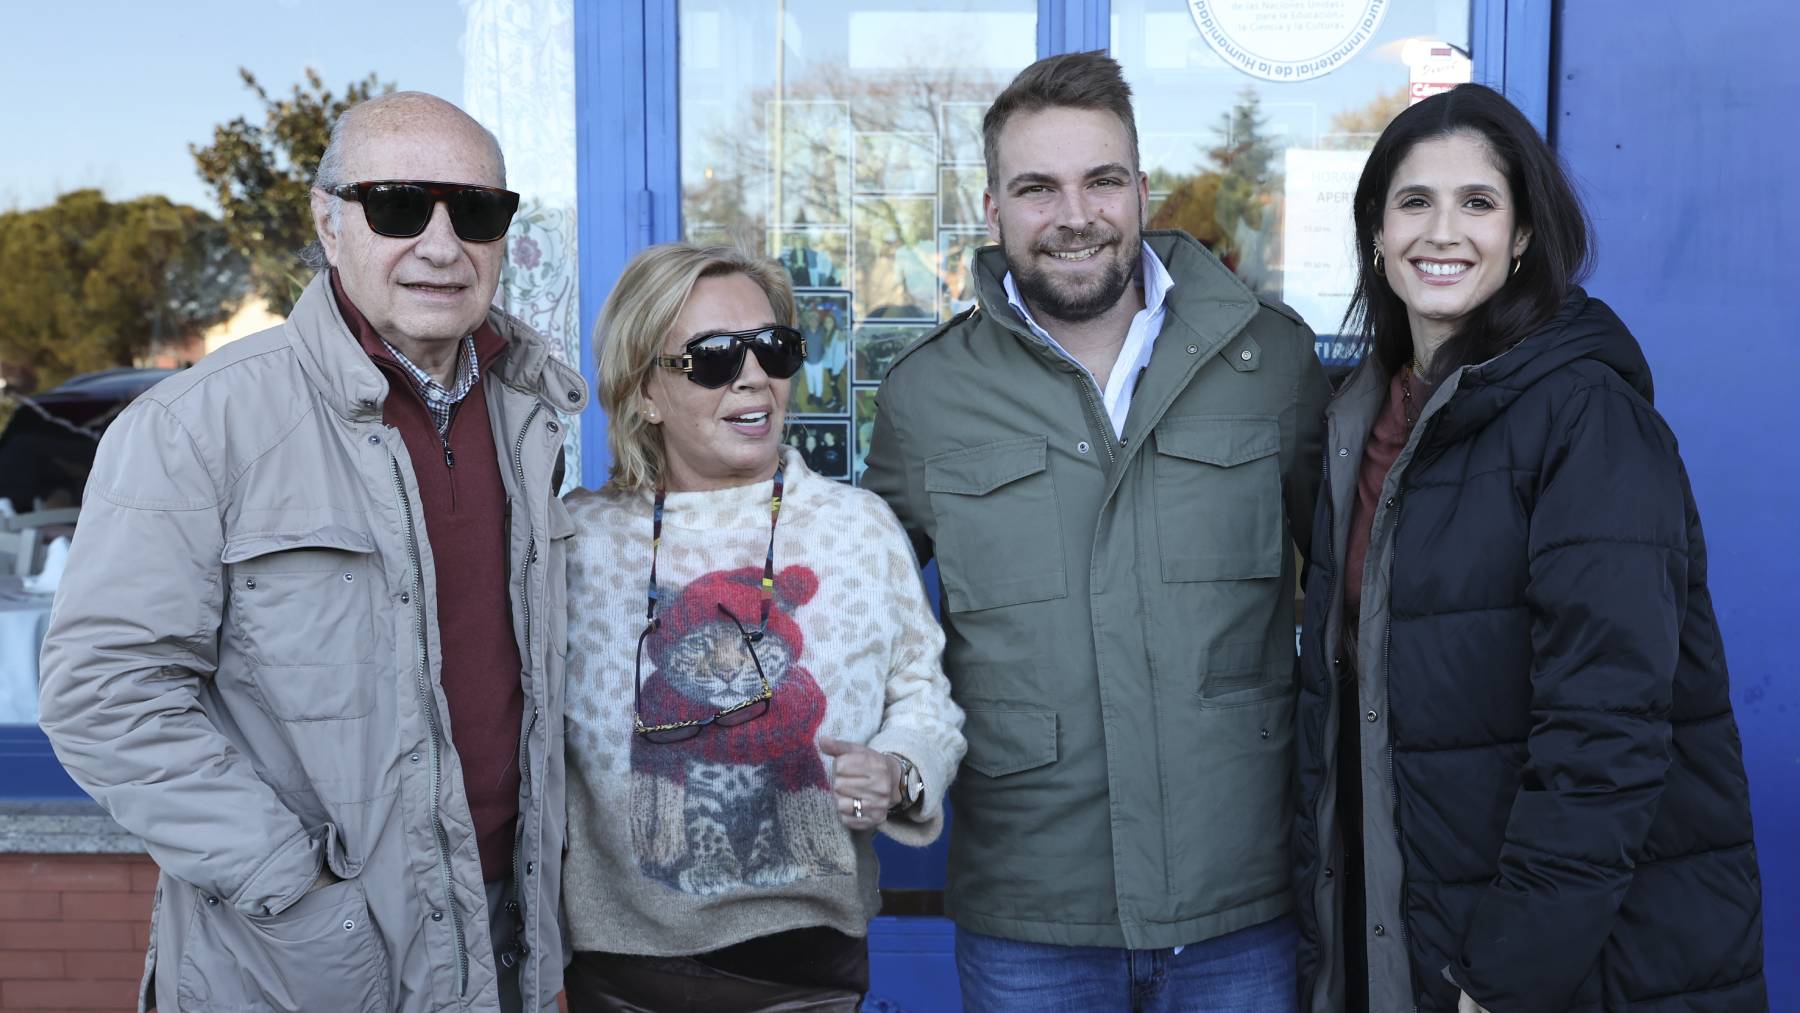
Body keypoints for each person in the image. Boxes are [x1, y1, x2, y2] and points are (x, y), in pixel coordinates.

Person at [36, 92, 587, 1013]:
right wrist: (296, 893)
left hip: (503, 934)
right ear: (328, 224)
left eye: (478, 211)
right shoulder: (195, 426)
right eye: (399, 206)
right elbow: (105, 695)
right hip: (295, 962)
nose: (443, 244)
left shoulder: (529, 414)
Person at [863, 51, 1328, 1011]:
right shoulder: (928, 395)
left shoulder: (1269, 361)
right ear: (993, 208)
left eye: (1101, 181)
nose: (1075, 215)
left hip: (1241, 907)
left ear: (1142, 191)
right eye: (1038, 188)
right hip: (1032, 918)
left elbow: (1361, 591)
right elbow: (861, 620)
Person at [1293, 83, 1766, 1013]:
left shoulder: (1587, 418)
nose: (1443, 231)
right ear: (1376, 235)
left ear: (1521, 237)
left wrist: (1508, 978)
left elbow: (1609, 735)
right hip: (1408, 939)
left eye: (1479, 203)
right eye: (1414, 202)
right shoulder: (1359, 423)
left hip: (1563, 970)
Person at [560, 241, 965, 1011]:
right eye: (713, 357)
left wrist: (900, 771)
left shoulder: (858, 528)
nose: (754, 378)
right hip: (616, 974)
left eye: (772, 349)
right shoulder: (575, 542)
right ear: (644, 389)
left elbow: (925, 701)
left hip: (805, 973)